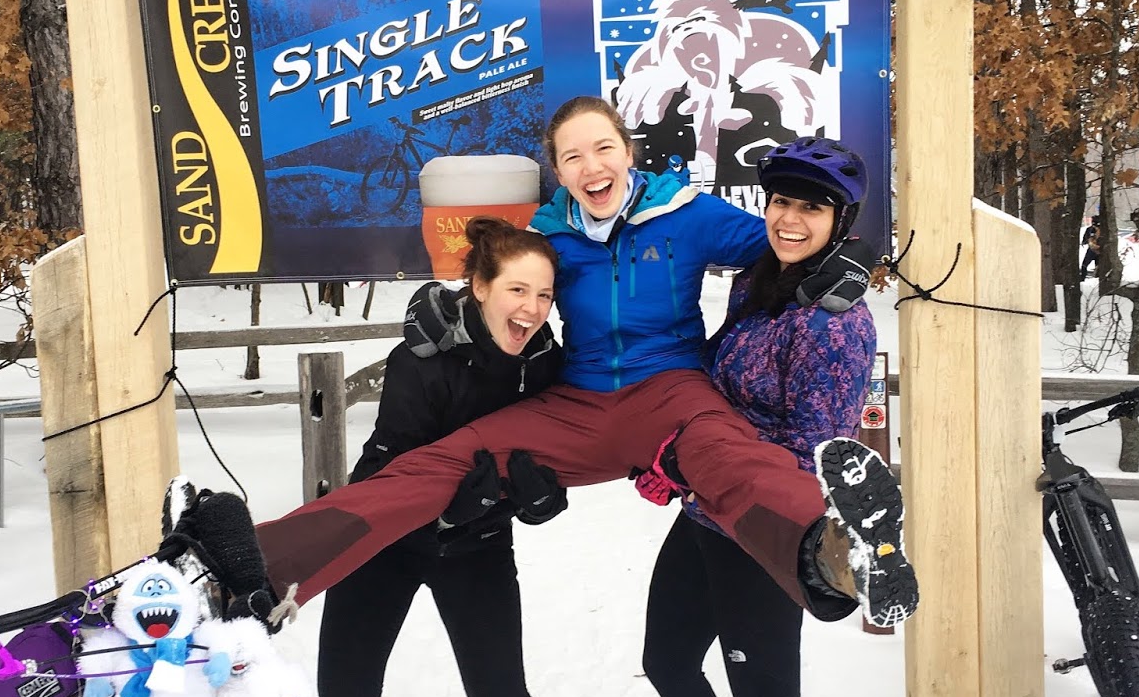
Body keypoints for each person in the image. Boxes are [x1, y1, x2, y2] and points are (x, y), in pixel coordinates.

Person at [240, 96, 916, 642]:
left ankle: (834, 550)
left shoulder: (688, 215)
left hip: (671, 394)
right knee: (444, 462)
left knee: (728, 458)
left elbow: (783, 241)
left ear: (627, 152)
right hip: (578, 404)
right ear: (558, 172)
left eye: (603, 148)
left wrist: (851, 260)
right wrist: (448, 312)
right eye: (572, 156)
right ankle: (257, 568)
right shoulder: (549, 232)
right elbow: (501, 286)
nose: (591, 166)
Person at [638, 138, 913, 697]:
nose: (789, 218)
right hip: (706, 515)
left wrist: (696, 463)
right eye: (781, 202)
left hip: (764, 533)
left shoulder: (834, 321)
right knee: (666, 661)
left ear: (840, 220)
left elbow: (814, 455)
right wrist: (673, 449)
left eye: (810, 207)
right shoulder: (761, 284)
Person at [316, 217, 637, 697]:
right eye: (517, 290)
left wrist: (538, 500)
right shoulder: (420, 361)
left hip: (476, 546)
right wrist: (452, 510)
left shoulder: (547, 367)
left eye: (544, 295)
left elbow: (547, 460)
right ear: (481, 287)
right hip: (383, 540)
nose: (532, 309)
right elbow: (395, 476)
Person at [1080, 212, 1102, 280]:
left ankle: (1083, 278)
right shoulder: (1102, 229)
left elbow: (1085, 240)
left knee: (1084, 265)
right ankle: (1097, 278)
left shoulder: (1090, 229)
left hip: (1092, 250)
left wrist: (1085, 242)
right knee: (1098, 266)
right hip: (1099, 250)